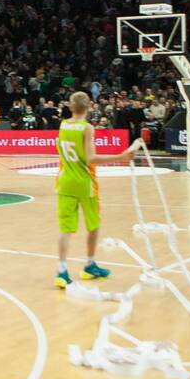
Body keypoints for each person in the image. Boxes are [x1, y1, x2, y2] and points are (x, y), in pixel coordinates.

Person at [54, 91, 135, 289]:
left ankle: (62, 270)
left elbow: (60, 149)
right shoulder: (87, 128)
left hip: (64, 181)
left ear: (71, 107)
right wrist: (120, 157)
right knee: (93, 224)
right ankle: (89, 265)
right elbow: (91, 158)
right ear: (90, 107)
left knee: (66, 229)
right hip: (85, 183)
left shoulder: (63, 125)